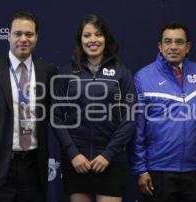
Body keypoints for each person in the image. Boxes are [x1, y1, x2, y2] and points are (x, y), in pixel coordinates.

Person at [0, 11, 56, 202]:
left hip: (33, 169)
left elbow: (54, 115)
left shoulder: (47, 71)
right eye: (18, 33)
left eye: (29, 34)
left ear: (36, 37)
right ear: (8, 36)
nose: (23, 39)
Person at [52, 14, 135, 202]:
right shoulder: (66, 72)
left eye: (98, 34)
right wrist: (73, 154)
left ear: (105, 37)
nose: (93, 40)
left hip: (110, 162)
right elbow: (56, 117)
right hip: (77, 162)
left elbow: (130, 117)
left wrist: (108, 154)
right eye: (87, 35)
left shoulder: (122, 72)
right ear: (80, 40)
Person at [131, 22, 196, 202]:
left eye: (179, 42)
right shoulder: (143, 77)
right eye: (168, 42)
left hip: (194, 169)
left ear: (188, 47)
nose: (173, 47)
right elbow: (138, 128)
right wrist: (141, 169)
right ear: (160, 46)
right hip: (159, 170)